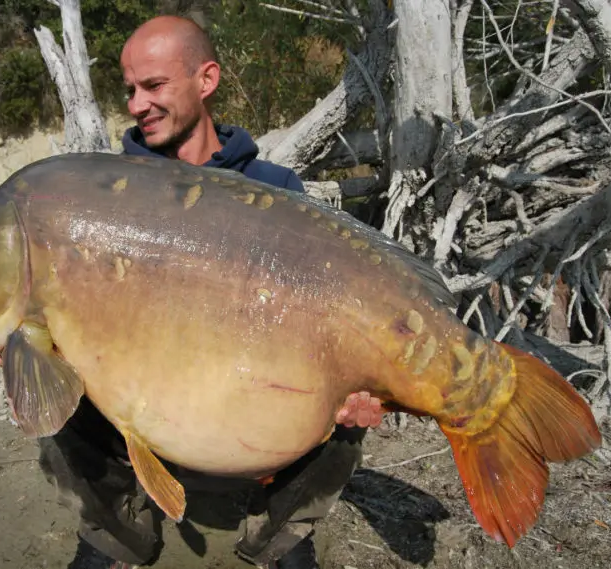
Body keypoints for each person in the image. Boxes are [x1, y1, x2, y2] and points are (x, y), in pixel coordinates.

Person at [35, 15, 385, 569]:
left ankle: (280, 538)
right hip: (139, 403)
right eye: (129, 90)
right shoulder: (107, 195)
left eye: (154, 86)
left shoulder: (275, 190)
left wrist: (351, 387)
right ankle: (116, 534)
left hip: (244, 405)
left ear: (207, 79)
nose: (136, 105)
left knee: (342, 406)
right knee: (49, 390)